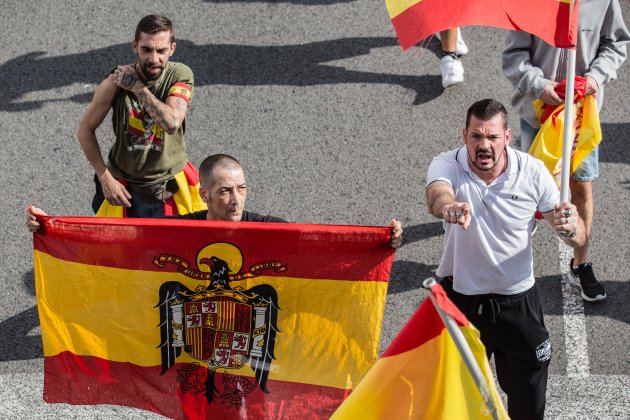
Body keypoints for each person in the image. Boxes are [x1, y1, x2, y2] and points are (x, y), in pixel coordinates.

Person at [425, 99, 586, 420]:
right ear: (465, 136)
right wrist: (448, 207)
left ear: (507, 137)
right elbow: (437, 194)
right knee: (457, 398)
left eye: (492, 137)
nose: (484, 145)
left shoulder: (532, 172)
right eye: (476, 137)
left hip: (518, 303)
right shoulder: (446, 164)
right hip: (461, 301)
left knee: (528, 399)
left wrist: (569, 225)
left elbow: (577, 235)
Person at [502, 0, 630, 301]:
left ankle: (580, 264)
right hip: (538, 112)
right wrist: (541, 85)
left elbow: (616, 43)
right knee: (530, 186)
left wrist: (595, 78)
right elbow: (513, 55)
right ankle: (513, 264)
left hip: (582, 115)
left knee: (581, 187)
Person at [27, 154, 403, 248]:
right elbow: (119, 235)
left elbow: (321, 239)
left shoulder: (266, 226)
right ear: (204, 194)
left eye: (240, 189)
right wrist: (52, 229)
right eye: (224, 191)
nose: (235, 199)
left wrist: (378, 239)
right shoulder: (181, 227)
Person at [77, 15, 204, 218]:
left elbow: (171, 123)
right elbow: (85, 130)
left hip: (169, 187)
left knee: (174, 248)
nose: (154, 59)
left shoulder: (180, 74)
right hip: (122, 189)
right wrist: (105, 178)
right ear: (135, 46)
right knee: (114, 250)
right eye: (146, 49)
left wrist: (136, 87)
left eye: (161, 50)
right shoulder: (113, 83)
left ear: (172, 49)